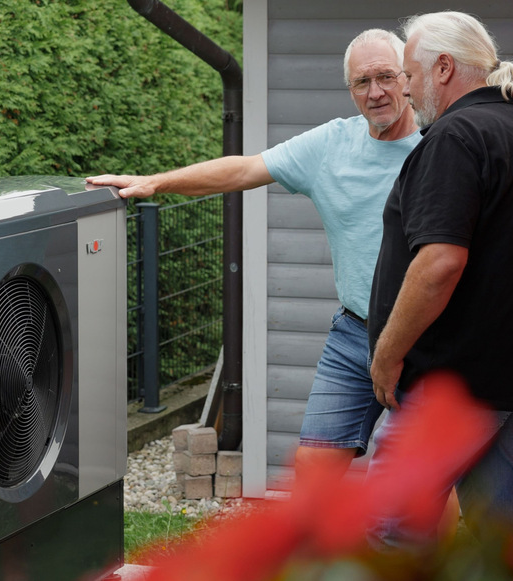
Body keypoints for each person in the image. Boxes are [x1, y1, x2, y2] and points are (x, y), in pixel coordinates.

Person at [87, 29, 421, 486]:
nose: (376, 92)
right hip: (356, 332)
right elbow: (243, 168)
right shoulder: (330, 145)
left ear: (408, 79)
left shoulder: (438, 144)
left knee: (420, 480)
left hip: (427, 332)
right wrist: (155, 182)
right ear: (350, 90)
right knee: (314, 468)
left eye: (386, 76)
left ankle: (427, 557)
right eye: (362, 82)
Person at [368, 10, 513, 545]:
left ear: (444, 68)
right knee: (496, 550)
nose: (404, 90)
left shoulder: (455, 135)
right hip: (502, 389)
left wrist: (386, 356)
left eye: (408, 74)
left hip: (445, 393)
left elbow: (439, 263)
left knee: (391, 541)